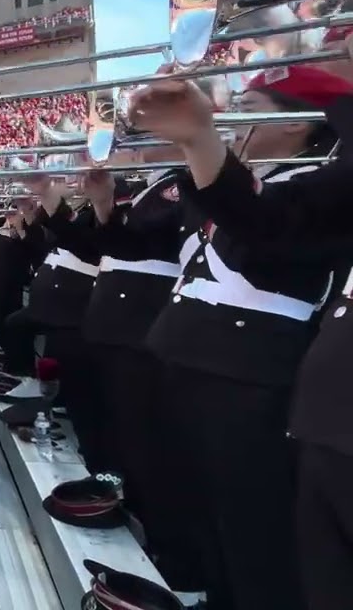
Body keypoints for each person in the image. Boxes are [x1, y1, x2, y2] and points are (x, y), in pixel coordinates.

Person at [128, 62, 353, 610]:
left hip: (249, 368)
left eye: (250, 112)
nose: (238, 123)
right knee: (205, 505)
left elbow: (262, 227)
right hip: (195, 351)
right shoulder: (262, 181)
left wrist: (203, 138)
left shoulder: (311, 184)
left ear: (300, 125)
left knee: (253, 525)